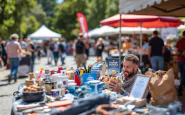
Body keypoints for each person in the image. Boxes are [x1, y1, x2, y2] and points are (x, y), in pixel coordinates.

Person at [176, 31, 185, 96]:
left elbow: (176, 52)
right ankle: (180, 88)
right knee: (183, 76)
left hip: (179, 60)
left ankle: (181, 89)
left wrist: (180, 53)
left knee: (182, 75)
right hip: (184, 61)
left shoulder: (179, 41)